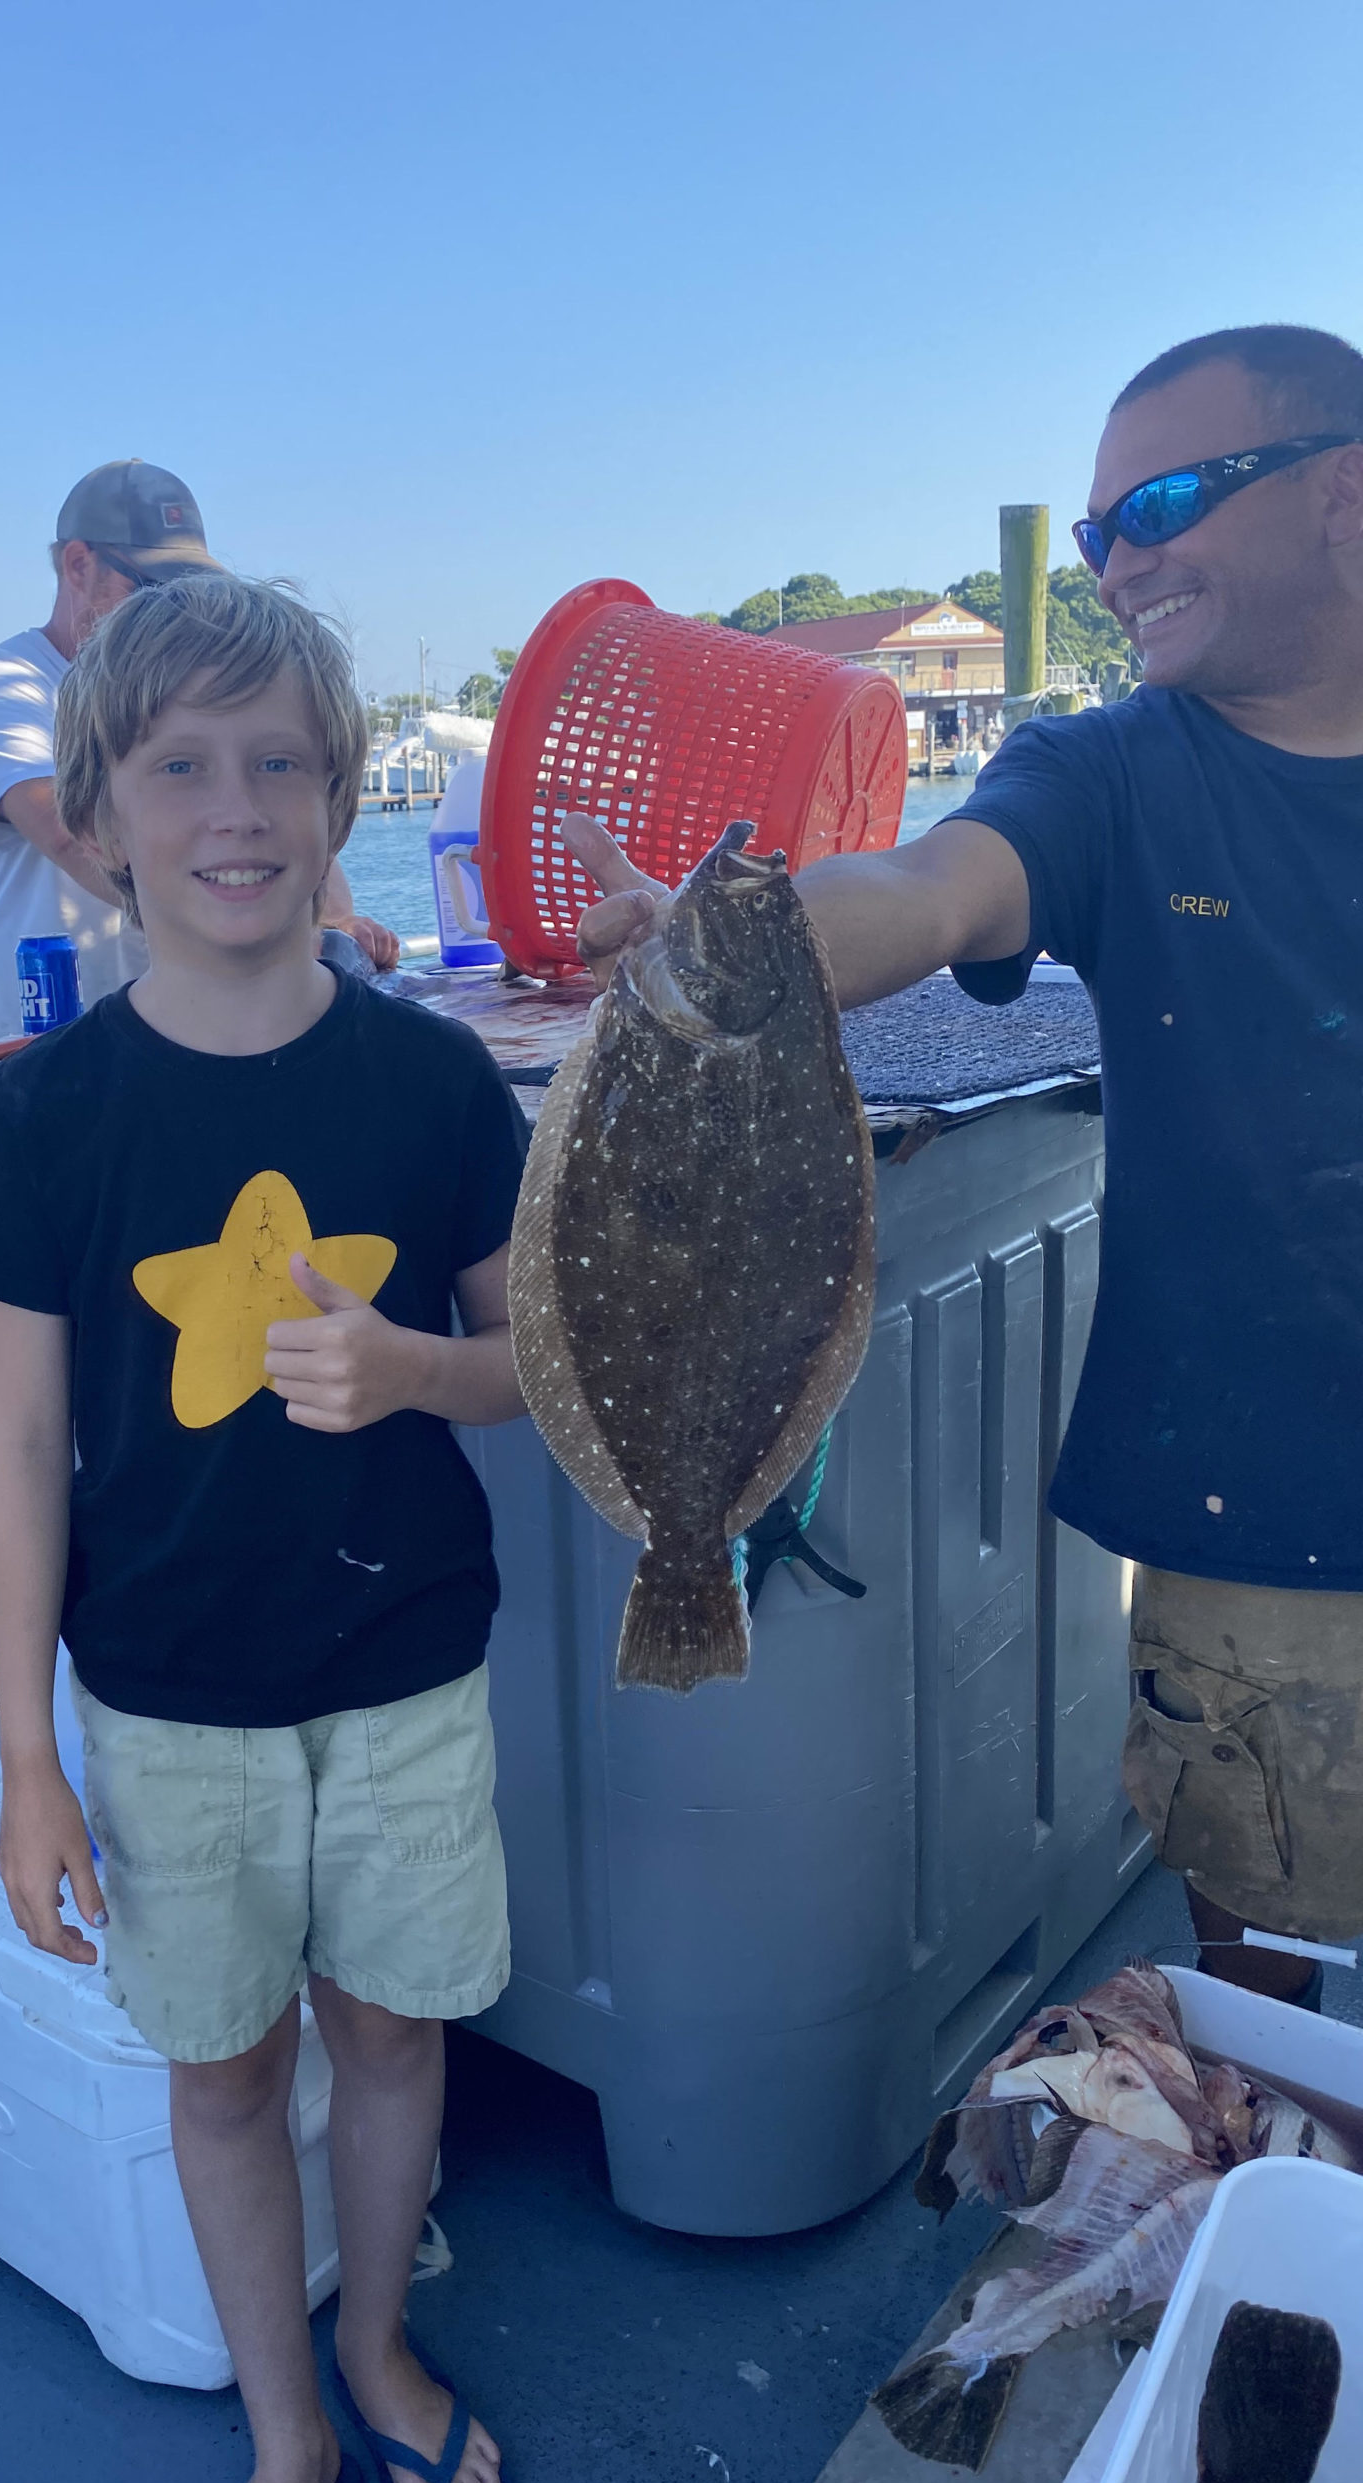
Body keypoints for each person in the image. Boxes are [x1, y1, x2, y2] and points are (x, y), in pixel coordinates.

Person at [572, 322, 1363, 2010]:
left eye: (1162, 501)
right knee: (1268, 1966)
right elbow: (936, 890)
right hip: (1267, 1515)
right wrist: (744, 937)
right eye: (1095, 534)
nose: (1120, 560)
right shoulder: (1110, 772)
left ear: (1345, 499)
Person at [0, 574, 527, 2483]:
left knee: (395, 2033)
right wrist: (28, 1759)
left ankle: (385, 2361)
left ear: (343, 794)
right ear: (91, 817)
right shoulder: (43, 1120)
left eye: (277, 760)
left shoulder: (438, 1084)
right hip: (162, 1697)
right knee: (226, 2064)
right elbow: (17, 1445)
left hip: (409, 1668)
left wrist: (420, 1363)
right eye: (178, 764)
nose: (233, 804)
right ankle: (288, 2425)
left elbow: (542, 1373)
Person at [0, 459, 398, 1042]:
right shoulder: (3, 686)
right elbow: (63, 829)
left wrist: (330, 921)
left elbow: (271, 809)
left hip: (190, 1030)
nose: (173, 605)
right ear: (79, 564)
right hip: (38, 1040)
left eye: (191, 586)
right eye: (153, 585)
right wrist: (245, 930)